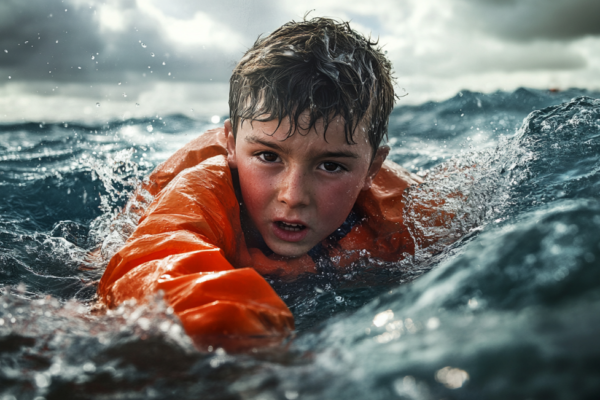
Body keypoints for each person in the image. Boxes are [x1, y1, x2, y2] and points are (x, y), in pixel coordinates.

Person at [97, 17, 423, 351]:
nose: (293, 196)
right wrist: (251, 346)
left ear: (371, 168)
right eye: (269, 157)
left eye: (330, 166)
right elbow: (156, 265)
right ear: (231, 145)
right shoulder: (199, 193)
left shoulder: (406, 219)